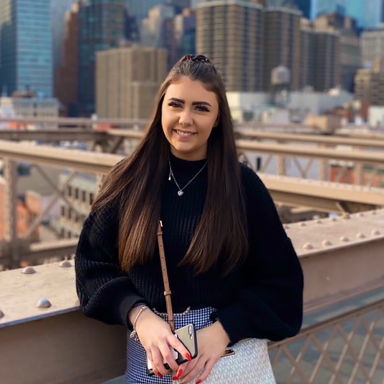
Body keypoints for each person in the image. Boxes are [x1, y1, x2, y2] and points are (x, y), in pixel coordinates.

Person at [75, 54, 304, 384]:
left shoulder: (241, 186)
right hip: (152, 361)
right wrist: (139, 315)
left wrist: (224, 329)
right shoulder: (128, 180)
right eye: (176, 105)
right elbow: (91, 266)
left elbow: (283, 283)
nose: (185, 119)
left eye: (201, 108)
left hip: (226, 359)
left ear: (217, 119)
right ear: (161, 110)